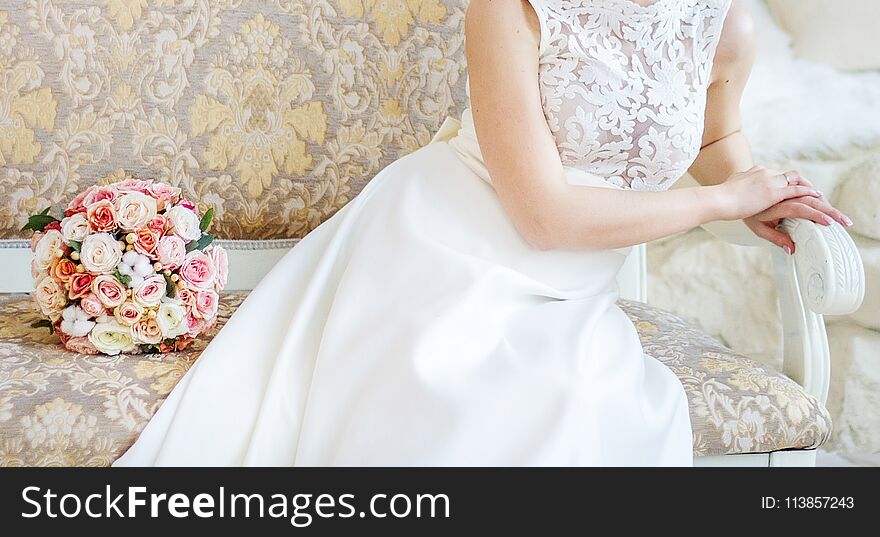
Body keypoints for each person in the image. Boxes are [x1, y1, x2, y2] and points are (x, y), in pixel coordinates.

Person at [115, 0, 850, 466]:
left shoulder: (724, 24)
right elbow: (545, 215)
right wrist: (719, 201)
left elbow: (713, 136)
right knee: (474, 401)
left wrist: (757, 190)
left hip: (572, 285)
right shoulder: (510, 6)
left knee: (582, 403)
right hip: (447, 242)